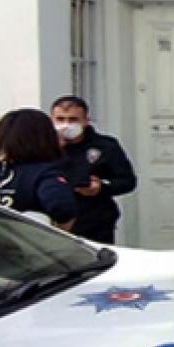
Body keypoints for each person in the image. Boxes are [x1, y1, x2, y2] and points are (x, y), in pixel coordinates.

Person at [50, 96, 137, 244]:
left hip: (95, 220)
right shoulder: (44, 146)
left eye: (73, 119)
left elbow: (127, 181)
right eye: (60, 119)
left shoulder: (106, 146)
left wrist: (101, 187)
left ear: (86, 121)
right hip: (53, 220)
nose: (66, 124)